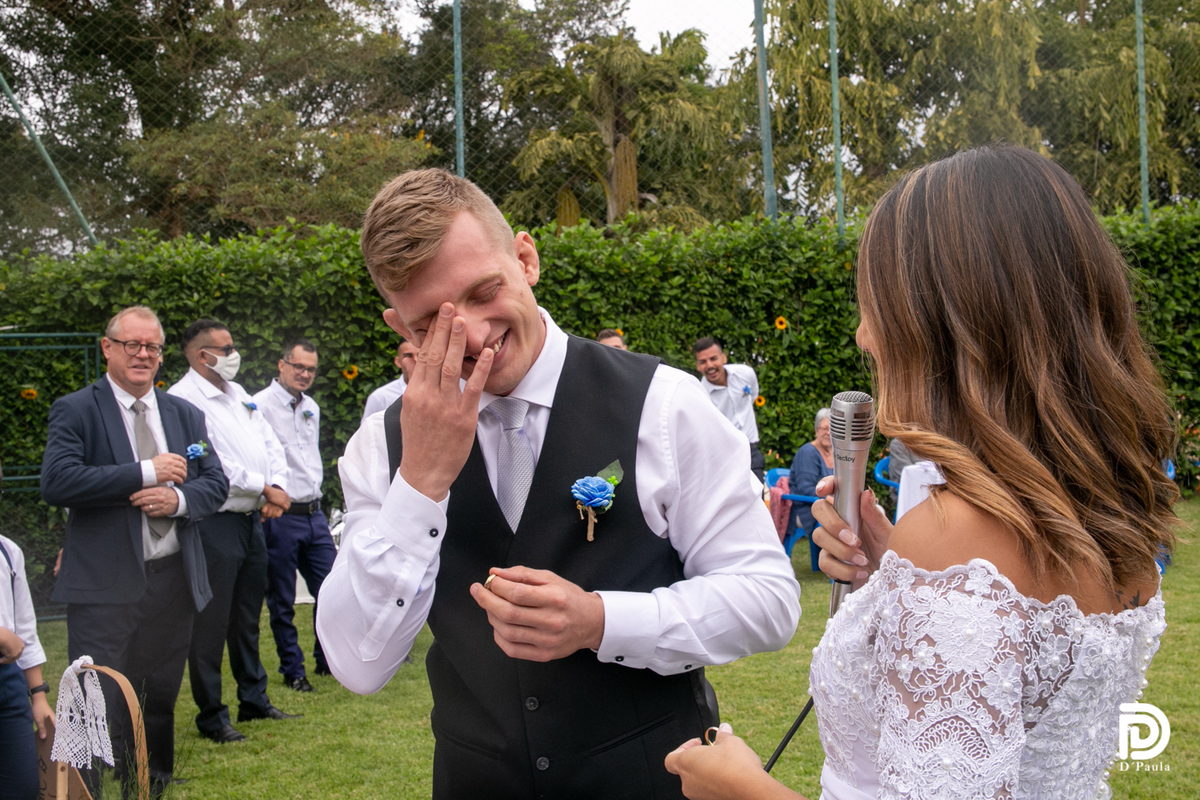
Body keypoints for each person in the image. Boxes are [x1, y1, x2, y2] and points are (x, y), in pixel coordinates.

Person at [664, 145, 1177, 799]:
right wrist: (895, 576)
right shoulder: (1110, 506)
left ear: (944, 323)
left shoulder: (954, 538)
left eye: (875, 304)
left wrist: (740, 786)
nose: (861, 335)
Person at [316, 168, 800, 799]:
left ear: (526, 258)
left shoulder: (664, 403)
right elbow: (358, 663)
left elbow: (769, 602)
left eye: (485, 290)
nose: (474, 333)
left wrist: (602, 621)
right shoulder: (380, 447)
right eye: (430, 324)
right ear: (398, 328)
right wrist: (420, 484)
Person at [40, 306, 229, 795]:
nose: (144, 355)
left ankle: (149, 781)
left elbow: (216, 483)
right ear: (108, 348)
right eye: (133, 345)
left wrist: (179, 498)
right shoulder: (77, 408)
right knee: (93, 696)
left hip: (173, 580)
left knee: (159, 692)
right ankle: (87, 788)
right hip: (105, 584)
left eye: (153, 347)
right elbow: (58, 481)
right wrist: (147, 472)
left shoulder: (184, 414)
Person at [169, 320, 298, 744]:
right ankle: (212, 714)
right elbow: (214, 465)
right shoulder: (182, 400)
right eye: (224, 349)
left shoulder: (240, 395)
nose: (232, 355)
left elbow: (269, 444)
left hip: (250, 520)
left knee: (246, 615)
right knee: (210, 620)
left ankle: (254, 698)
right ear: (198, 354)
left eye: (232, 346)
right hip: (213, 522)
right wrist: (264, 489)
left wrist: (276, 487)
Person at [252, 339, 337, 693]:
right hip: (282, 515)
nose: (304, 374)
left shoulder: (312, 406)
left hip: (314, 513)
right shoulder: (258, 405)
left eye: (311, 369)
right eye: (298, 366)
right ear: (281, 365)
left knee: (332, 590)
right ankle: (293, 669)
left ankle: (327, 660)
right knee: (283, 598)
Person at [1, 468, 56, 800]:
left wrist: (38, 695)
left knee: (22, 787)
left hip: (9, 685)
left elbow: (25, 630)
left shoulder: (9, 552)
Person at [694, 337, 764, 482]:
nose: (709, 365)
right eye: (703, 362)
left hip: (752, 451)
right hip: (725, 459)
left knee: (759, 502)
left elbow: (753, 396)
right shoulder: (700, 396)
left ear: (723, 358)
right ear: (698, 366)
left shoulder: (746, 373)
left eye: (713, 358)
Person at [788, 408, 833, 542]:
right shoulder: (808, 452)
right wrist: (829, 499)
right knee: (849, 520)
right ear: (816, 431)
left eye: (832, 429)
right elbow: (805, 488)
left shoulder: (837, 454)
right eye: (824, 428)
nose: (828, 432)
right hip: (806, 508)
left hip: (829, 506)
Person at [361, 338, 419, 423]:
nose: (416, 360)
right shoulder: (380, 397)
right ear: (398, 362)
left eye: (421, 355)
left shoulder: (439, 392)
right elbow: (366, 433)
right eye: (408, 356)